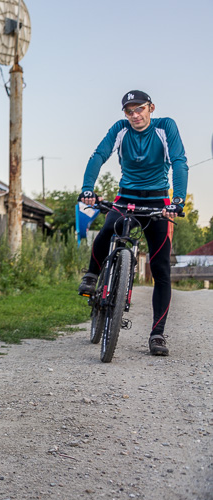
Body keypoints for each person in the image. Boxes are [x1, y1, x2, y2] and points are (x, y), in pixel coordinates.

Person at [77, 90, 188, 356]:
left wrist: (178, 200)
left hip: (158, 200)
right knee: (107, 229)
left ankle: (157, 335)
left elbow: (179, 161)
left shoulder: (165, 127)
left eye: (140, 109)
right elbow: (98, 155)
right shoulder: (120, 129)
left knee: (161, 267)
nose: (135, 115)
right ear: (125, 114)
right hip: (126, 197)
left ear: (151, 108)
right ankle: (92, 275)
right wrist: (87, 189)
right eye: (129, 111)